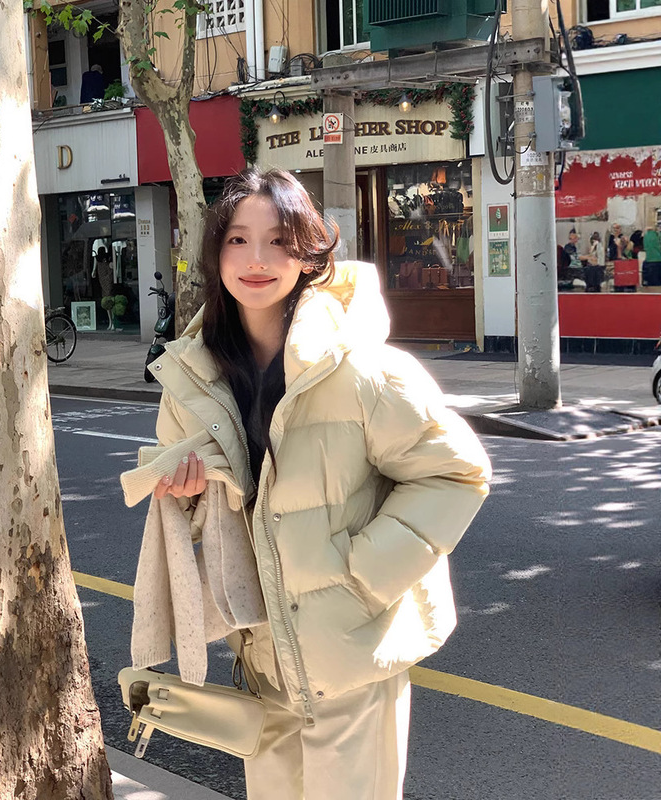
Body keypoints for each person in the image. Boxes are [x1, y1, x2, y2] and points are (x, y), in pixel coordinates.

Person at [130, 168, 491, 799]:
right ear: (215, 253)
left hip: (351, 660)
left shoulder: (361, 367)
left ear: (309, 253)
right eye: (238, 240)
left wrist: (359, 577)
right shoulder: (193, 377)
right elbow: (205, 515)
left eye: (279, 240)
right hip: (262, 662)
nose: (257, 259)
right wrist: (186, 497)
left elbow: (456, 472)